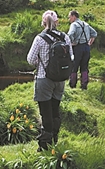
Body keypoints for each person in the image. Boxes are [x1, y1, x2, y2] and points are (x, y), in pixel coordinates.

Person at [27, 10, 74, 151]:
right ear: (57, 22)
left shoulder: (39, 39)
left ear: (43, 22)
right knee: (55, 112)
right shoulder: (65, 37)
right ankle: (54, 141)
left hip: (44, 79)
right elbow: (71, 57)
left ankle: (44, 147)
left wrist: (40, 62)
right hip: (60, 80)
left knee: (45, 113)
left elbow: (30, 59)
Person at [67, 10, 97, 90]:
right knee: (84, 67)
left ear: (74, 16)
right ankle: (84, 85)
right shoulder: (86, 24)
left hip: (77, 47)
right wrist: (90, 42)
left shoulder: (74, 25)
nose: (69, 19)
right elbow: (94, 33)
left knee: (74, 66)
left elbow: (70, 34)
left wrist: (73, 42)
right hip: (86, 48)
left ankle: (72, 85)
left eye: (69, 17)